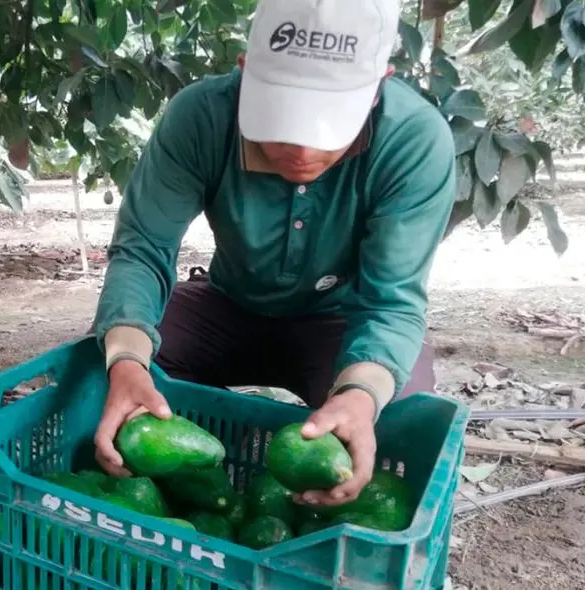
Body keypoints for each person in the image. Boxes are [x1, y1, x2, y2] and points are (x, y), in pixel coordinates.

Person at [90, 0, 455, 508]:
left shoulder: (414, 141)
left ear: (378, 86)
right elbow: (143, 249)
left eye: (327, 126)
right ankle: (205, 468)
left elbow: (391, 302)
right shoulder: (201, 116)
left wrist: (361, 394)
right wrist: (127, 359)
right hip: (227, 306)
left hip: (340, 321)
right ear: (245, 74)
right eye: (282, 122)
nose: (303, 151)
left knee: (399, 416)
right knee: (106, 372)